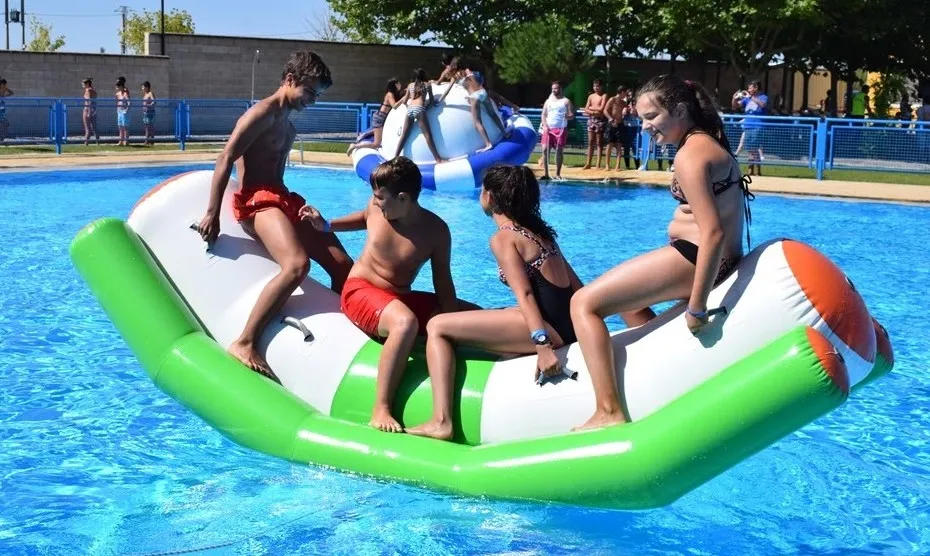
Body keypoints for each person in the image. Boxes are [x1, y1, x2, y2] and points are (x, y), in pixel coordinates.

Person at [569, 75, 754, 430]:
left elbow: (713, 232)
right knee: (629, 304)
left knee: (583, 304)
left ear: (680, 110)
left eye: (652, 116)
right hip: (712, 258)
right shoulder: (707, 143)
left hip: (697, 258)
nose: (645, 126)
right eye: (641, 118)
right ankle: (656, 374)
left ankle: (608, 411)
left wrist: (697, 307)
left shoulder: (690, 155)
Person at [194, 50, 353, 378]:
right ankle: (245, 341)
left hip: (282, 198)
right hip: (257, 202)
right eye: (309, 92)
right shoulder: (261, 114)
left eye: (317, 95)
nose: (312, 101)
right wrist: (213, 213)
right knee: (297, 265)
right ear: (290, 80)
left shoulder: (288, 126)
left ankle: (346, 333)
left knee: (343, 266)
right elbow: (225, 158)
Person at [407, 165, 583, 441]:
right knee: (487, 315)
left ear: (489, 196)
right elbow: (576, 288)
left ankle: (442, 421)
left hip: (549, 331)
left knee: (438, 326)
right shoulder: (540, 234)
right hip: (566, 325)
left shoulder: (504, 238)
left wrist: (542, 346)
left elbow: (525, 294)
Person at [301, 157, 474, 433]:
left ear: (403, 198)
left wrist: (453, 321)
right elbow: (363, 218)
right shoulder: (376, 208)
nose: (375, 202)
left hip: (397, 300)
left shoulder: (435, 231)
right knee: (404, 322)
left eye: (380, 197)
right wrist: (326, 225)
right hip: (360, 291)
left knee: (473, 315)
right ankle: (381, 407)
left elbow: (442, 280)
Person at [437, 58, 508, 152]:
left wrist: (439, 101)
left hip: (474, 96)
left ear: (453, 65)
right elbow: (476, 83)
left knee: (477, 122)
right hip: (483, 92)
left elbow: (447, 91)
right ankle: (505, 133)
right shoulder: (468, 70)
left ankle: (488, 143)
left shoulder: (455, 76)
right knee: (493, 115)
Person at [392, 68, 444, 163]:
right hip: (419, 108)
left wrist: (409, 106)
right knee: (427, 135)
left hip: (410, 109)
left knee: (404, 135)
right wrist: (425, 108)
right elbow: (432, 102)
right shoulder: (427, 85)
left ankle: (395, 157)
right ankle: (438, 159)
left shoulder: (410, 85)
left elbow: (404, 101)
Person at [347, 78, 404, 154]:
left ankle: (364, 134)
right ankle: (354, 146)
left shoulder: (394, 94)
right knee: (376, 144)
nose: (400, 85)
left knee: (381, 133)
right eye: (399, 84)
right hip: (380, 118)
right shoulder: (390, 94)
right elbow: (394, 106)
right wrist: (403, 98)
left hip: (383, 118)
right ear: (395, 85)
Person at [730, 80, 767, 176]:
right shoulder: (747, 99)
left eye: (750, 88)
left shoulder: (763, 97)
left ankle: (757, 170)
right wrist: (734, 99)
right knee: (750, 149)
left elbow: (763, 105)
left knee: (755, 148)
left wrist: (750, 97)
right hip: (748, 126)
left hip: (757, 126)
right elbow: (735, 106)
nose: (748, 90)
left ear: (756, 88)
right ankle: (751, 170)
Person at [540, 81, 574, 181]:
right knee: (545, 150)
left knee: (559, 150)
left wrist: (567, 116)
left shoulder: (566, 101)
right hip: (548, 128)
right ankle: (546, 174)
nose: (554, 90)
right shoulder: (548, 101)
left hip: (560, 129)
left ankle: (558, 174)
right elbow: (543, 114)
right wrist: (545, 126)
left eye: (556, 88)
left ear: (560, 89)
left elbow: (571, 115)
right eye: (552, 88)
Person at [582, 79, 608, 170]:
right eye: (594, 86)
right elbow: (586, 108)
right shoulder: (591, 96)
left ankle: (598, 164)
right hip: (591, 119)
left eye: (597, 86)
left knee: (599, 142)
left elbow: (601, 108)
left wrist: (591, 108)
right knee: (590, 141)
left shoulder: (604, 96)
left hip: (600, 121)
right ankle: (588, 163)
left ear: (601, 87)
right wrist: (593, 112)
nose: (596, 88)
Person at [603, 86, 628, 170]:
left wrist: (626, 109)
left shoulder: (623, 102)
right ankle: (607, 165)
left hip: (620, 124)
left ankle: (617, 166)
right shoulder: (612, 100)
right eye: (625, 93)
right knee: (609, 144)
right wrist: (610, 119)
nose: (626, 95)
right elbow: (605, 110)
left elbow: (627, 109)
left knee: (619, 145)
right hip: (611, 123)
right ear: (622, 92)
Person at [82, 77, 99, 146]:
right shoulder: (93, 90)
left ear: (87, 84)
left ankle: (86, 143)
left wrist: (89, 112)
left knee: (87, 129)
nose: (82, 84)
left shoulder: (88, 90)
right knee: (94, 127)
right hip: (94, 110)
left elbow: (89, 101)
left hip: (87, 110)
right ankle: (98, 142)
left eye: (84, 83)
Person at [115, 77, 130, 146]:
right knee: (120, 126)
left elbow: (129, 102)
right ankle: (121, 141)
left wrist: (126, 110)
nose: (117, 88)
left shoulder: (125, 92)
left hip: (124, 111)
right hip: (119, 111)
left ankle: (126, 141)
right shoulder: (118, 94)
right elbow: (117, 101)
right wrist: (117, 109)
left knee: (125, 127)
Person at [141, 81, 156, 145]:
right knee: (146, 127)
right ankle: (147, 140)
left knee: (150, 127)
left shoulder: (150, 93)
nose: (142, 88)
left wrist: (149, 105)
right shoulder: (145, 94)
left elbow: (154, 101)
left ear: (146, 87)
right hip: (145, 112)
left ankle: (151, 140)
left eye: (143, 87)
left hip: (150, 112)